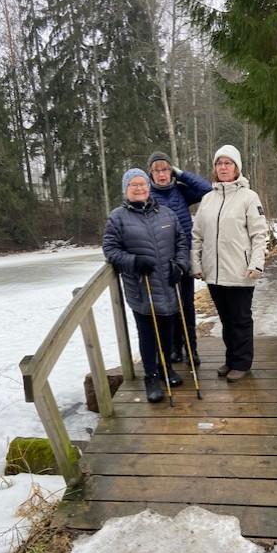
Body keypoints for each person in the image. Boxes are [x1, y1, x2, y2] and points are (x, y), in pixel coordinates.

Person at [103, 168, 189, 403]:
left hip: (168, 283)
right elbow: (110, 249)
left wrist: (181, 265)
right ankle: (151, 377)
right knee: (148, 333)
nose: (140, 188)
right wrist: (133, 261)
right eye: (134, 185)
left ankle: (166, 368)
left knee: (167, 330)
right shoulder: (118, 217)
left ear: (149, 187)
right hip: (142, 287)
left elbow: (181, 242)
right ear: (126, 189)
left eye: (143, 184)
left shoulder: (167, 213)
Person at [191, 145, 267, 382]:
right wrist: (196, 263)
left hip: (240, 271)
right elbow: (197, 235)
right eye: (219, 163)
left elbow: (259, 234)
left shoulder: (249, 197)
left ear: (237, 168)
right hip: (214, 272)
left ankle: (242, 363)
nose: (223, 167)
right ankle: (231, 358)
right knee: (225, 319)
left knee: (240, 319)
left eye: (228, 163)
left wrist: (256, 263)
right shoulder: (207, 199)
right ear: (215, 168)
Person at [147, 151, 212, 366]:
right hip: (161, 260)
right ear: (150, 174)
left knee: (186, 304)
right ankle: (174, 349)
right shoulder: (146, 195)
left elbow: (206, 190)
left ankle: (191, 350)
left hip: (184, 256)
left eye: (165, 169)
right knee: (168, 305)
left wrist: (182, 174)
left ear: (171, 171)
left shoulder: (180, 190)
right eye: (156, 170)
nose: (161, 174)